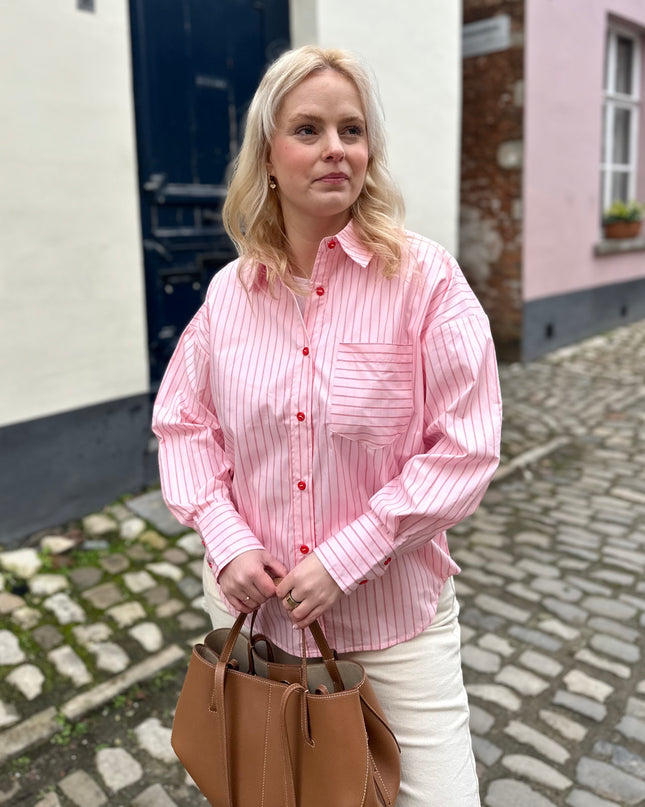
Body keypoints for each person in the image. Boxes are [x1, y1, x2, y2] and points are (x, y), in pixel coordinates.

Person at [152, 45, 502, 807]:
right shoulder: (228, 293)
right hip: (256, 622)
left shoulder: (424, 278)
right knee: (274, 794)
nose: (334, 147)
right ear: (268, 157)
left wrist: (351, 553)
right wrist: (223, 532)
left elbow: (467, 446)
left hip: (393, 633)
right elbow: (183, 421)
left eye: (351, 129)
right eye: (307, 129)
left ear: (369, 152)